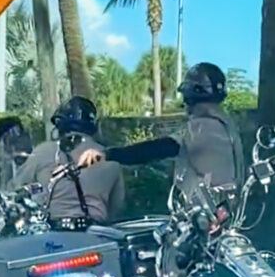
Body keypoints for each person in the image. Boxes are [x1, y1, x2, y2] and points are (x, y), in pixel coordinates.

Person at [75, 62, 245, 195]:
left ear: (190, 95)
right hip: (227, 214)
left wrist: (108, 154)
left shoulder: (202, 125)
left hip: (206, 220)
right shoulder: (227, 125)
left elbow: (158, 148)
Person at [13, 96, 125, 225]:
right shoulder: (109, 158)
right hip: (96, 233)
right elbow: (116, 208)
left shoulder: (43, 151)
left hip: (55, 235)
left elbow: (17, 189)